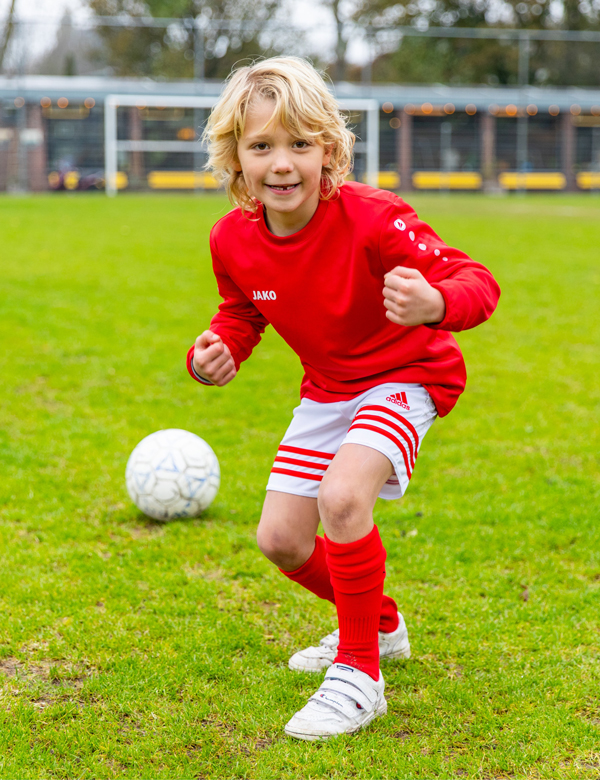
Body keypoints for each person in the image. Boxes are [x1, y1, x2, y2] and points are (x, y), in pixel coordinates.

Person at [186, 56, 500, 740]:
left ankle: (360, 675)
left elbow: (479, 283)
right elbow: (244, 308)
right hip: (329, 389)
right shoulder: (231, 239)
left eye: (300, 143)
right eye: (262, 145)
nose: (282, 163)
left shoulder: (374, 218)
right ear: (236, 158)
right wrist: (220, 347)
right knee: (281, 539)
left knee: (343, 497)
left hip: (408, 374)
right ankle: (380, 625)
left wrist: (436, 300)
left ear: (328, 149)